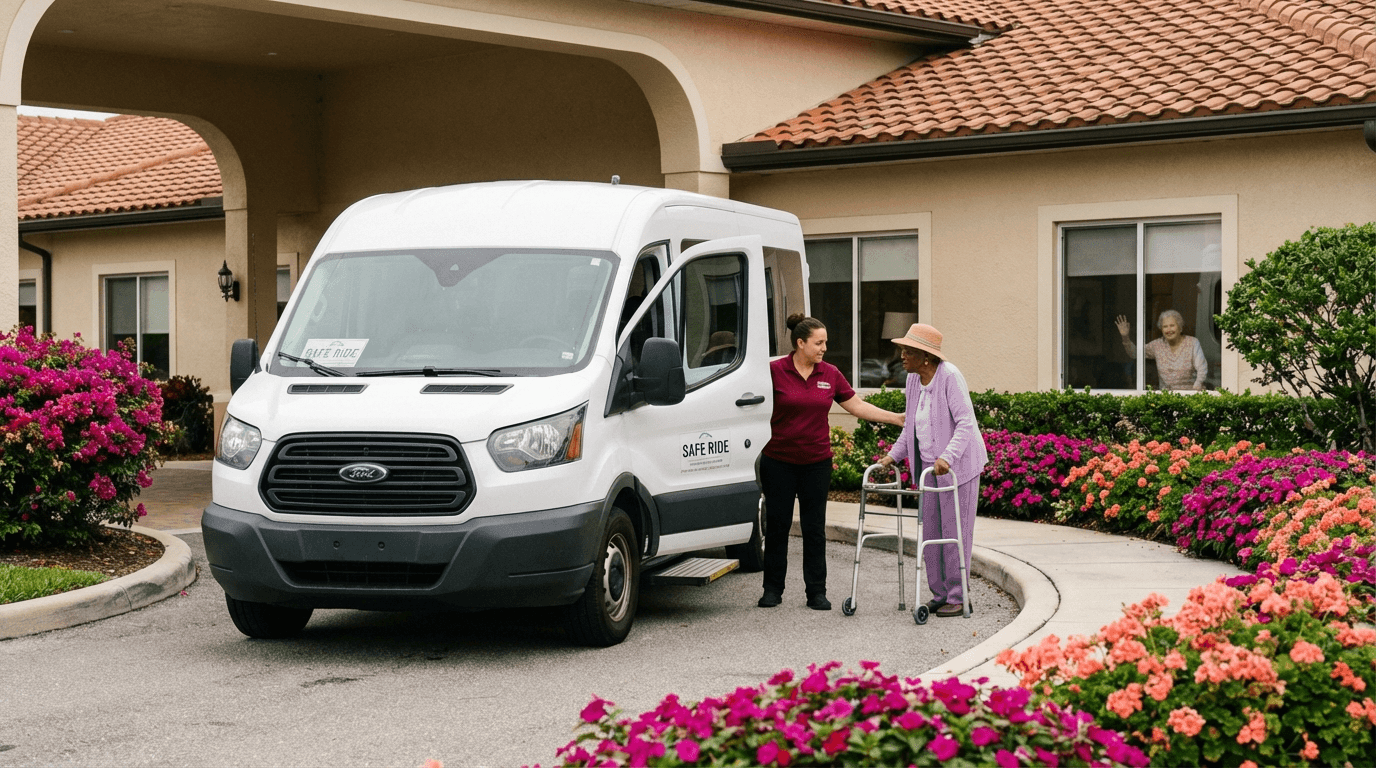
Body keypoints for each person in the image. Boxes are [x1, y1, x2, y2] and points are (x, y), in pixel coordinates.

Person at [760, 314, 904, 611]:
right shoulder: (774, 371)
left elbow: (857, 405)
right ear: (800, 343)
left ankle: (816, 592)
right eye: (819, 342)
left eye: (825, 342)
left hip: (816, 463)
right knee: (777, 527)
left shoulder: (830, 374)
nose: (824, 347)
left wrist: (897, 418)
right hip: (778, 462)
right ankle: (772, 589)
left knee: (814, 529)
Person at [878, 323, 988, 618]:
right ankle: (939, 593)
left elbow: (966, 422)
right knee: (931, 531)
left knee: (955, 532)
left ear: (925, 356)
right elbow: (911, 424)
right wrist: (892, 457)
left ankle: (958, 595)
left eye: (907, 351)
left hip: (957, 468)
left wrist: (947, 457)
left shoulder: (950, 377)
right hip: (929, 466)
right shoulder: (914, 381)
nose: (901, 356)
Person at [1114, 310, 1207, 391]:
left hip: (1190, 393)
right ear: (1161, 329)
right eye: (1165, 326)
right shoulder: (1157, 345)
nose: (1169, 329)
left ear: (1180, 327)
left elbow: (1202, 368)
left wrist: (1197, 384)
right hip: (1166, 396)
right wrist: (1125, 337)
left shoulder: (1192, 342)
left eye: (1172, 325)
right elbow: (1134, 353)